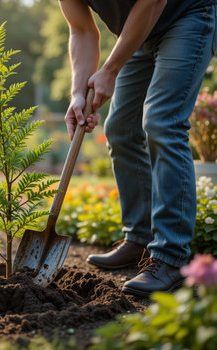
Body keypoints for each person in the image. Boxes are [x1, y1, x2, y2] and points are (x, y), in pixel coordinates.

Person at [59, 0, 216, 297]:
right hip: (139, 30)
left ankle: (170, 258)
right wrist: (79, 93)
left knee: (162, 122)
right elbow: (82, 31)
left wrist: (110, 69)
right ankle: (140, 239)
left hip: (188, 15)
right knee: (120, 129)